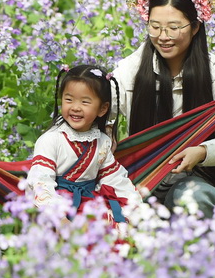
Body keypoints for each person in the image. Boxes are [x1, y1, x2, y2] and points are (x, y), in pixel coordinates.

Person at [111, 0, 215, 214]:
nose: (163, 36)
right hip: (139, 178)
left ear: (196, 26)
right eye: (155, 27)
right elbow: (102, 112)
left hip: (198, 178)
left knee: (192, 198)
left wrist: (203, 151)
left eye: (174, 28)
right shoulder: (130, 70)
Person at [28, 64, 142, 225]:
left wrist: (136, 208)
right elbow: (41, 181)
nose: (75, 107)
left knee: (114, 224)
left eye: (85, 102)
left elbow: (114, 178)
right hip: (57, 206)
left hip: (89, 203)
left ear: (102, 109)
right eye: (69, 99)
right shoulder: (50, 140)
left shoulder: (102, 142)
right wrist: (59, 219)